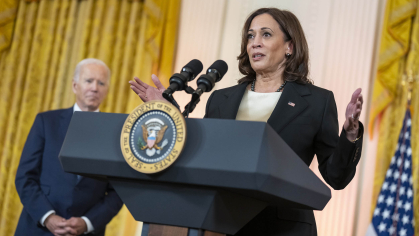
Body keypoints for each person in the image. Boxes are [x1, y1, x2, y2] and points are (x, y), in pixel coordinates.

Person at [129, 8, 364, 236]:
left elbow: (336, 177)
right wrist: (170, 113)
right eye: (250, 35)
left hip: (284, 227)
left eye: (266, 34)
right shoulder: (221, 98)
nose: (255, 42)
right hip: (221, 223)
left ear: (289, 47)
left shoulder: (316, 101)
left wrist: (350, 134)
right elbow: (202, 152)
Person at [15, 58, 123, 236]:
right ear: (75, 85)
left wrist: (87, 223)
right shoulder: (46, 122)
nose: (95, 87)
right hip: (37, 228)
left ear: (107, 90)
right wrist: (48, 217)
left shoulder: (117, 135)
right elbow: (25, 177)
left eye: (101, 83)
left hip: (86, 232)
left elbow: (117, 192)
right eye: (89, 81)